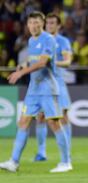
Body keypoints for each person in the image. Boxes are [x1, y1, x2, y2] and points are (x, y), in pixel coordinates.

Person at [0, 11, 70, 173]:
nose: (33, 26)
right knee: (23, 122)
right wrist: (23, 66)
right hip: (34, 90)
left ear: (42, 23)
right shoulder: (32, 40)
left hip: (48, 89)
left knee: (54, 123)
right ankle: (14, 161)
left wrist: (20, 73)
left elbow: (43, 63)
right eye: (30, 23)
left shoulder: (49, 40)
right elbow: (33, 60)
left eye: (37, 23)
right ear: (27, 25)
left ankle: (66, 162)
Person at [32, 13, 73, 172]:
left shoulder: (63, 41)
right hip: (41, 84)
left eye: (52, 23)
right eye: (47, 23)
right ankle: (41, 152)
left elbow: (68, 61)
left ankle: (66, 154)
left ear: (58, 25)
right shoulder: (40, 40)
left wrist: (53, 62)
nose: (49, 25)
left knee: (62, 116)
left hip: (57, 83)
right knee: (40, 117)